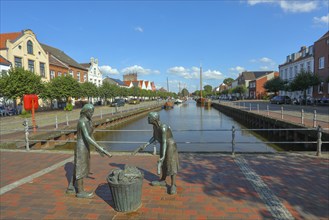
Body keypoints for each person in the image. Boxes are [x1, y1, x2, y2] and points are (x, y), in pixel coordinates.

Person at [66, 104, 111, 198]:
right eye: (90, 112)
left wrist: (98, 148)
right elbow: (86, 137)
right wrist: (99, 147)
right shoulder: (82, 122)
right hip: (81, 146)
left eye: (93, 112)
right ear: (85, 112)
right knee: (81, 168)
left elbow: (91, 136)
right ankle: (80, 191)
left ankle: (71, 186)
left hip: (86, 146)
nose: (92, 114)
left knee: (78, 166)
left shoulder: (89, 121)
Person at [133, 112, 179, 195]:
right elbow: (154, 137)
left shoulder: (163, 127)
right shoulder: (155, 127)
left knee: (171, 163)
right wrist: (146, 144)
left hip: (170, 145)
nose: (147, 119)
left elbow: (165, 141)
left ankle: (173, 185)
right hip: (163, 145)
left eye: (149, 118)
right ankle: (163, 180)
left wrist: (163, 156)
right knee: (163, 164)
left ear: (153, 119)